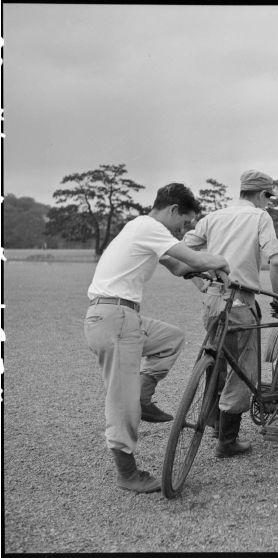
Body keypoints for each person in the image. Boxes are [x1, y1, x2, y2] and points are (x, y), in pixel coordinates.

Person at [84, 183, 230, 494]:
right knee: (121, 401)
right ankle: (127, 473)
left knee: (171, 338)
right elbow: (196, 258)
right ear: (174, 210)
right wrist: (221, 264)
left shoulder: (140, 228)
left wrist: (202, 280)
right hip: (115, 319)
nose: (184, 228)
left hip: (119, 317)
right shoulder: (150, 226)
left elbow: (178, 265)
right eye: (185, 221)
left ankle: (143, 393)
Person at [182, 170, 278, 458]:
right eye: (268, 198)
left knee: (217, 359)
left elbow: (181, 251)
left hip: (213, 300)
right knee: (244, 367)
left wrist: (201, 283)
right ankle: (227, 440)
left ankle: (214, 422)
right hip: (240, 302)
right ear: (262, 195)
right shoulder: (259, 218)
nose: (268, 204)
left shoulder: (212, 218)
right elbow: (275, 262)